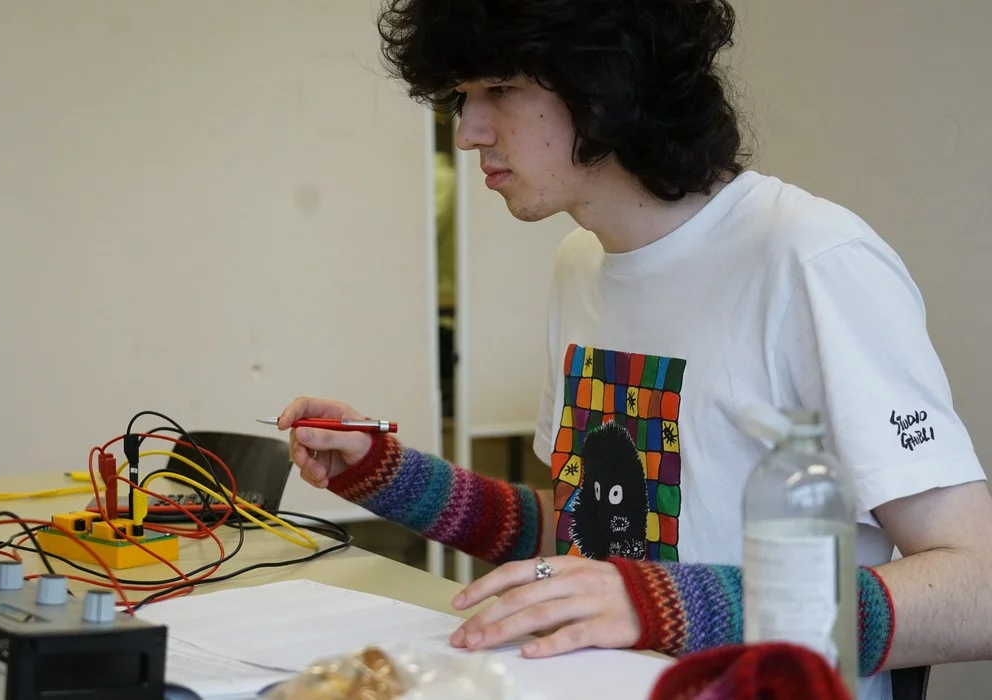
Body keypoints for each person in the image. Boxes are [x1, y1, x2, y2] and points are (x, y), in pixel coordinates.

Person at [277, 1, 992, 699]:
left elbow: (978, 588)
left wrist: (661, 604)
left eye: (498, 89)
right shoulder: (579, 264)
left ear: (605, 81)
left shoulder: (810, 259)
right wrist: (390, 476)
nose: (466, 132)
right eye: (461, 96)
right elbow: (590, 543)